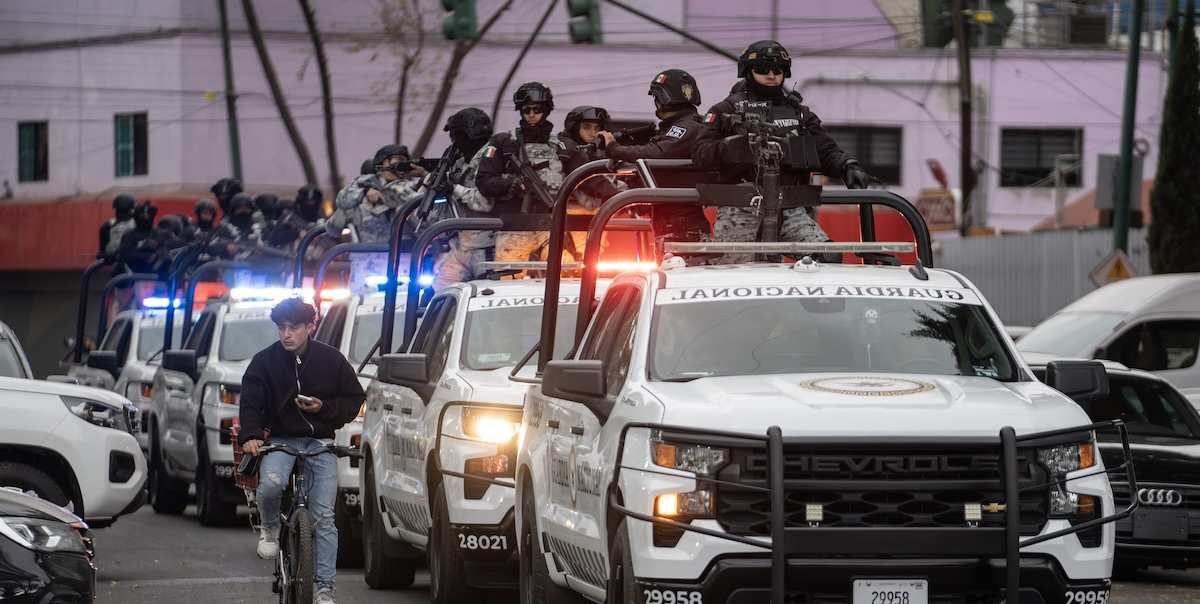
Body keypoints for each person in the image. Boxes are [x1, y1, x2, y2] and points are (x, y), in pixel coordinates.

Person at [692, 40, 871, 264]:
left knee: (827, 257)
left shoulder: (799, 113)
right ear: (748, 71)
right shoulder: (725, 110)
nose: (771, 75)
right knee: (733, 272)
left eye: (777, 70)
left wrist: (847, 165)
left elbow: (825, 149)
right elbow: (700, 153)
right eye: (763, 69)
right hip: (740, 207)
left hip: (789, 207)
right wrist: (735, 147)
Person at [237, 298, 365, 604]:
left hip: (320, 444)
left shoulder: (332, 360)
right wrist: (251, 435)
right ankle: (270, 529)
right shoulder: (263, 362)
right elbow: (251, 402)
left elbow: (354, 399)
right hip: (281, 441)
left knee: (325, 518)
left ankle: (325, 590)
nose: (286, 334)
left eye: (294, 327)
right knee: (271, 485)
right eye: (281, 328)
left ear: (311, 327)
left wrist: (324, 408)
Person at [599, 69, 713, 255]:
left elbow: (658, 153)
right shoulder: (681, 126)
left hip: (682, 224)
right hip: (673, 221)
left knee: (680, 268)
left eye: (656, 97)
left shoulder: (687, 127)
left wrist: (614, 148)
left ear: (664, 98)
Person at [476, 82, 567, 263]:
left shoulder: (561, 146)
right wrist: (512, 184)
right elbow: (484, 180)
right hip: (514, 227)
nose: (531, 114)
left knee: (566, 273)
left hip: (552, 226)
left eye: (537, 109)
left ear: (546, 110)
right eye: (526, 110)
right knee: (509, 277)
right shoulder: (502, 142)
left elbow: (580, 181)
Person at [431, 107, 495, 290]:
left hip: (488, 247)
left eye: (456, 135)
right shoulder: (458, 163)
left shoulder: (491, 160)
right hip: (461, 245)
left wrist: (454, 188)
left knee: (486, 295)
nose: (454, 141)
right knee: (439, 295)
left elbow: (486, 202)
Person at [558, 105, 626, 212]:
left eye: (597, 128)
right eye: (586, 127)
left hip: (589, 212)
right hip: (568, 213)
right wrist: (622, 201)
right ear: (575, 128)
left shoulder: (594, 149)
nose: (593, 133)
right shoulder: (569, 148)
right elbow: (591, 179)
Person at [116, 201, 161, 273]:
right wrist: (146, 255)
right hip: (133, 274)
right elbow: (124, 255)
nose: (146, 220)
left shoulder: (159, 233)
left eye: (149, 217)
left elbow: (170, 251)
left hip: (157, 274)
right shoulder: (129, 235)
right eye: (142, 217)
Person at [99, 193, 137, 259]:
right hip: (115, 260)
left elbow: (103, 250)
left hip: (129, 259)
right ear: (131, 209)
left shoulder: (106, 226)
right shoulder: (107, 226)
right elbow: (103, 251)